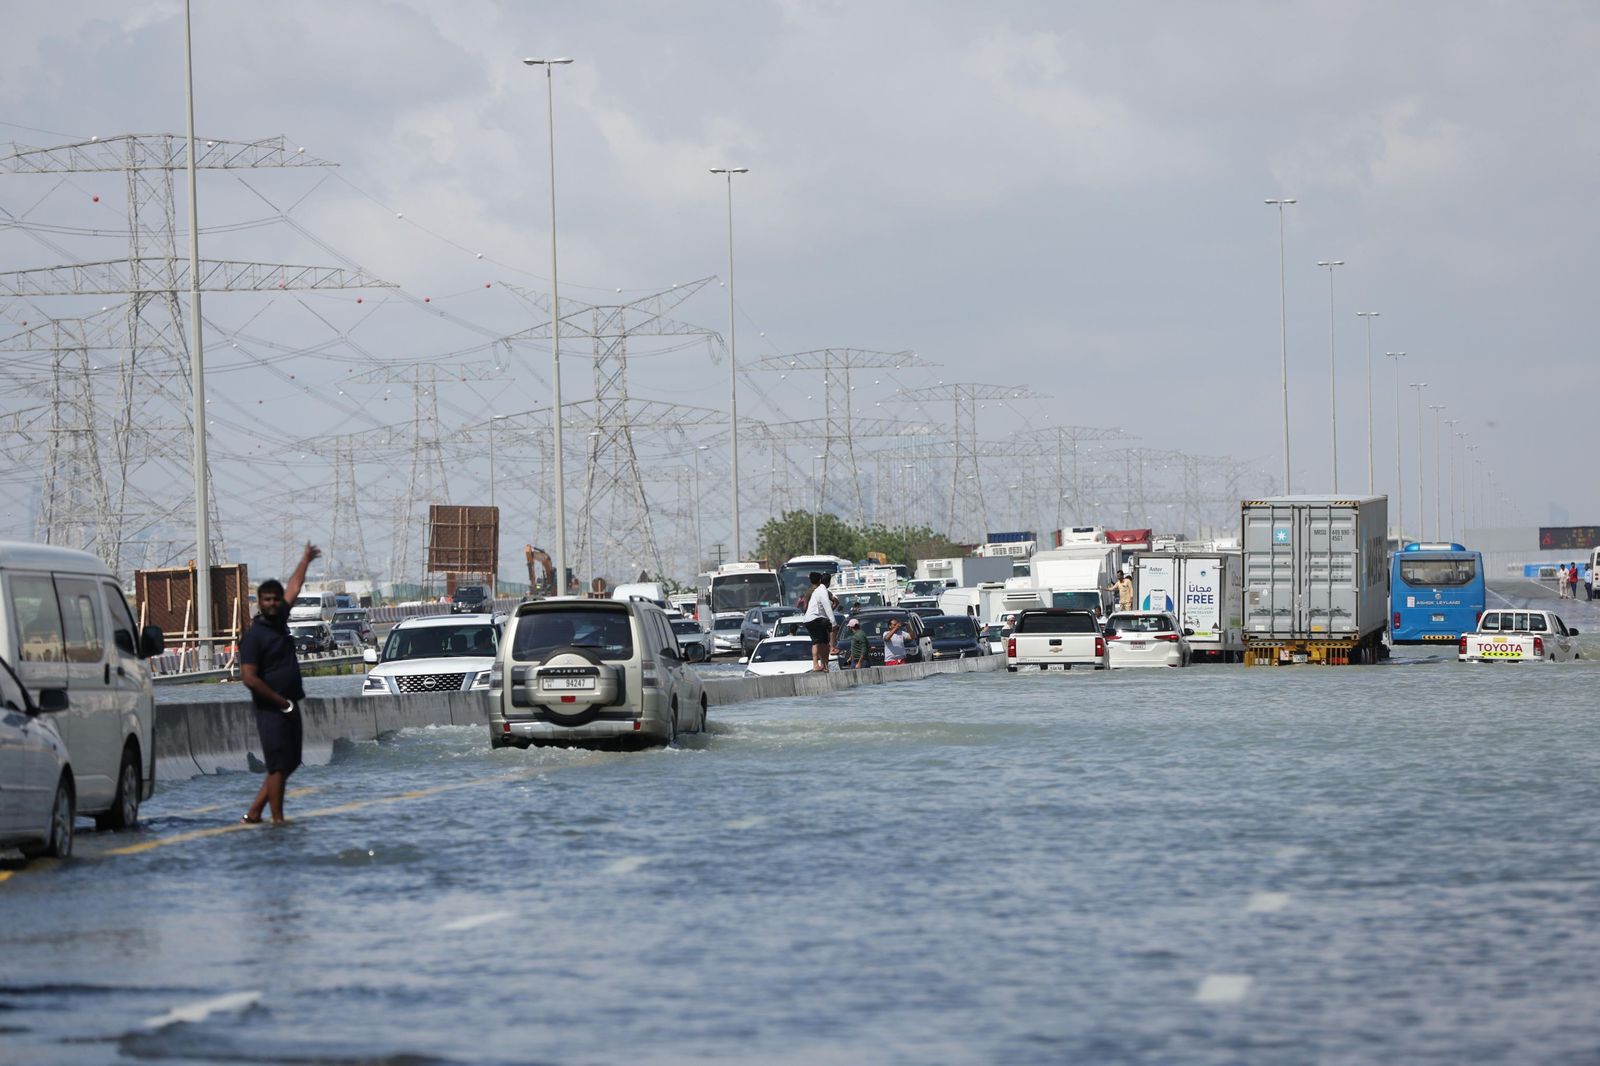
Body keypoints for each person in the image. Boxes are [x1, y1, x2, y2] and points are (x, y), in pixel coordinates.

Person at [240, 542, 321, 824]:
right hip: (271, 710)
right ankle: (277, 820)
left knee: (289, 763)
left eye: (276, 599)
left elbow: (294, 588)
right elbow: (249, 677)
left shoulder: (280, 620)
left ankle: (254, 813)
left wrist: (305, 560)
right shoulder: (254, 636)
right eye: (268, 600)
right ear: (259, 602)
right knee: (277, 765)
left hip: (290, 705)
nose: (274, 603)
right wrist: (280, 702)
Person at [801, 571, 835, 672]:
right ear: (820, 580)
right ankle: (825, 664)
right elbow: (834, 601)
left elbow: (805, 606)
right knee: (825, 642)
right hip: (819, 618)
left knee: (816, 643)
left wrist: (808, 613)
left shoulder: (808, 592)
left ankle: (816, 665)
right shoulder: (823, 590)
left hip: (809, 619)